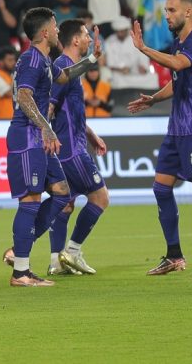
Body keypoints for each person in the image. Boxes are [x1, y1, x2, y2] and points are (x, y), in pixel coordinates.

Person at [2, 7, 101, 287]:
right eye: (55, 27)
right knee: (30, 201)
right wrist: (46, 127)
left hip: (38, 138)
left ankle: (20, 250)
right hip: (27, 137)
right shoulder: (32, 60)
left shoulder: (44, 60)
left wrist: (92, 59)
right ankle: (21, 272)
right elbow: (23, 96)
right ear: (45, 32)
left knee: (61, 193)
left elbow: (63, 77)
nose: (58, 31)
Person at [127, 0, 192, 277]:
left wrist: (144, 49)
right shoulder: (177, 42)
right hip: (176, 128)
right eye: (166, 10)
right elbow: (178, 80)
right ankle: (174, 256)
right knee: (160, 188)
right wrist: (154, 98)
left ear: (188, 12)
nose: (166, 15)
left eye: (171, 10)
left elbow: (178, 64)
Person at [44, 19, 110, 276]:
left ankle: (55, 262)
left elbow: (68, 111)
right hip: (70, 148)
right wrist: (46, 135)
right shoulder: (62, 66)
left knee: (66, 204)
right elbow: (49, 106)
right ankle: (72, 251)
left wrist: (91, 133)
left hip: (73, 142)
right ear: (75, 40)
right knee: (100, 197)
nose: (88, 38)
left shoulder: (72, 68)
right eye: (85, 34)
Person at [0, 47, 17, 120]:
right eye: (10, 60)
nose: (14, 62)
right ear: (0, 62)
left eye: (14, 60)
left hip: (15, 120)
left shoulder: (12, 76)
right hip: (1, 120)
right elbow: (9, 93)